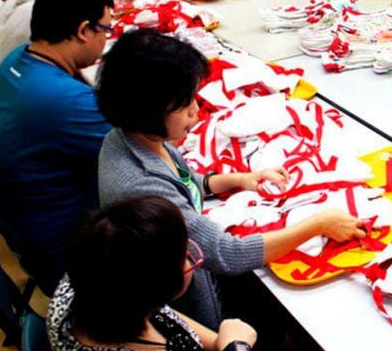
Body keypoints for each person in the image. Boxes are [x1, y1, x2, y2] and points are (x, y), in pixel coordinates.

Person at [96, 29, 366, 328]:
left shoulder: (129, 138)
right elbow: (227, 254)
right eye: (186, 106)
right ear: (149, 110)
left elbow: (188, 182)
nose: (197, 112)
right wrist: (318, 224)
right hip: (191, 316)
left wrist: (241, 179)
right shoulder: (143, 189)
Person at [49, 195, 259, 351]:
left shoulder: (83, 285)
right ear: (162, 286)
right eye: (184, 256)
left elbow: (164, 314)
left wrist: (219, 341)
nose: (190, 256)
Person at [0, 0, 114, 292]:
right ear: (83, 31)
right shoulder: (65, 101)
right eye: (105, 31)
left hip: (32, 227)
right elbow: (146, 145)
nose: (105, 40)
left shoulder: (15, 62)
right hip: (70, 255)